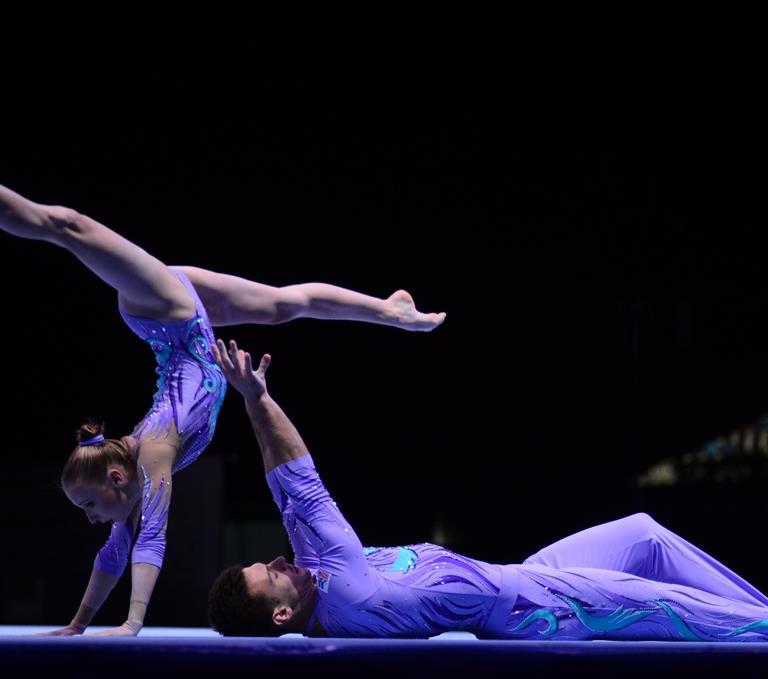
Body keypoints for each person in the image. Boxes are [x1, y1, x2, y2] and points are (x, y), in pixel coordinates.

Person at [0, 183, 445, 637]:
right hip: (182, 315)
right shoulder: (132, 480)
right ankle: (391, 311)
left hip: (164, 313)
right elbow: (115, 553)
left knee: (66, 225)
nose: (90, 517)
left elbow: (153, 536)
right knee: (282, 306)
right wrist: (76, 626)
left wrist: (133, 623)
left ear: (115, 479)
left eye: (89, 505)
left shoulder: (152, 454)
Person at [207, 339, 768, 641]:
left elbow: (284, 492)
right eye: (269, 575)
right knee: (675, 607)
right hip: (544, 612)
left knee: (643, 531)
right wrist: (262, 396)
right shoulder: (343, 590)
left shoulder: (318, 574)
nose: (275, 560)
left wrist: (249, 403)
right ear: (282, 615)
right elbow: (306, 484)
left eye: (266, 561)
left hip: (524, 579)